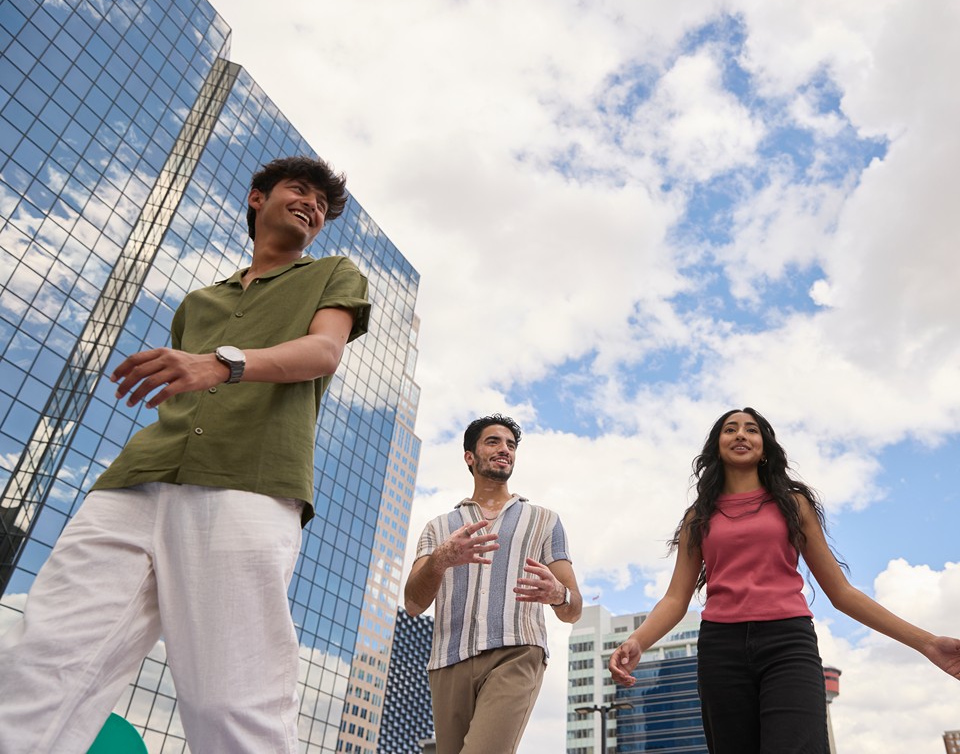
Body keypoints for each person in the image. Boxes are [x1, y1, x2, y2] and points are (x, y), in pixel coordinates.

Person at [0, 156, 371, 754]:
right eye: (298, 191)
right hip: (135, 481)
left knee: (230, 701)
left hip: (247, 483)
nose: (312, 206)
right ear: (257, 199)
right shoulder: (199, 302)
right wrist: (196, 368)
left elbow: (323, 353)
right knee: (42, 658)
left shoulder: (334, 273)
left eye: (322, 206)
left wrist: (220, 363)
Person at [609, 407, 960, 754]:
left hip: (788, 643)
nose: (741, 435)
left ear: (765, 446)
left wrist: (926, 643)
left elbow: (841, 592)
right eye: (730, 429)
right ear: (717, 445)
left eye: (751, 429)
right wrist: (639, 641)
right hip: (721, 649)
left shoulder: (793, 505)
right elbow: (675, 599)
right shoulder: (698, 517)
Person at [404, 414, 582, 754]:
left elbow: (573, 610)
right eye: (493, 442)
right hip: (447, 661)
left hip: (516, 651)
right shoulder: (438, 529)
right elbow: (413, 603)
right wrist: (441, 559)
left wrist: (558, 594)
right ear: (469, 456)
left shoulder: (544, 520)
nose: (505, 450)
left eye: (511, 445)